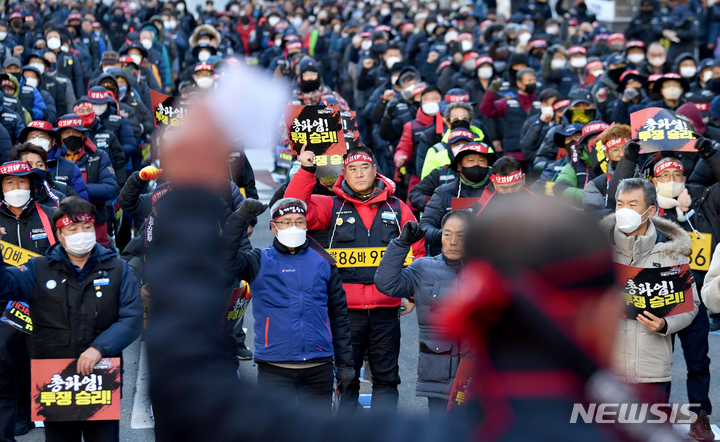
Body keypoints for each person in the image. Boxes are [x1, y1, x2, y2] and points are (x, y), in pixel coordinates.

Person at [284, 144, 425, 413]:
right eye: (352, 169)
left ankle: (385, 432)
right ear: (344, 174)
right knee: (346, 378)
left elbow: (415, 251)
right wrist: (306, 170)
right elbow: (295, 208)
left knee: (386, 378)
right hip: (345, 311)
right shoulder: (330, 205)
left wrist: (409, 293)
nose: (359, 174)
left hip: (386, 310)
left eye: (365, 167)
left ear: (375, 170)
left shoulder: (398, 207)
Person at [0, 196, 143, 442]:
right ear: (60, 234)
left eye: (86, 227)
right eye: (72, 229)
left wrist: (99, 348)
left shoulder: (117, 269)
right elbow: (5, 287)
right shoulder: (38, 268)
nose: (81, 234)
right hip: (54, 377)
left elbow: (132, 317)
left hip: (100, 378)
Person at [222, 197, 355, 410]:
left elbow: (339, 315)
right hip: (274, 367)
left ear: (306, 225)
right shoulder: (259, 261)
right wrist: (240, 217)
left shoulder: (324, 262)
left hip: (318, 365)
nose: (294, 227)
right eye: (286, 222)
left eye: (299, 221)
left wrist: (345, 364)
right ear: (274, 228)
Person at [604, 178, 699, 404]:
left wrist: (665, 325)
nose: (624, 210)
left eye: (632, 204)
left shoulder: (671, 254)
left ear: (650, 211)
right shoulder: (599, 253)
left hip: (653, 369)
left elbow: (691, 304)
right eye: (620, 204)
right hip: (608, 369)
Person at [374, 211, 472, 415]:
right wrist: (401, 244)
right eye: (447, 234)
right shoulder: (423, 268)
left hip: (476, 377)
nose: (453, 241)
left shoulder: (486, 270)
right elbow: (386, 283)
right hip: (437, 374)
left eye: (461, 236)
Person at [0, 160, 56, 440]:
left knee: (44, 357)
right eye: (10, 183)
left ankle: (47, 410)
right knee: (9, 362)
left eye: (22, 182)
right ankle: (19, 414)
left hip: (45, 301)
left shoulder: (50, 215)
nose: (17, 188)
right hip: (5, 306)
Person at [420, 143, 496, 256]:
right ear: (459, 166)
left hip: (490, 256)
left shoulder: (497, 190)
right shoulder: (443, 193)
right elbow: (425, 226)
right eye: (471, 160)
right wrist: (448, 235)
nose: (477, 164)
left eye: (482, 160)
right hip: (450, 259)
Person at [55, 114, 119, 246]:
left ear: (83, 135)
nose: (71, 136)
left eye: (76, 132)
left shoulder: (99, 156)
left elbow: (110, 188)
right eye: (66, 132)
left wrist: (77, 190)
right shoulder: (53, 160)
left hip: (94, 222)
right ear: (60, 136)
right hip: (62, 222)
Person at [21, 119, 88, 201]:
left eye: (43, 136)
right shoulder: (18, 164)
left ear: (53, 141)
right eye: (32, 136)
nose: (37, 140)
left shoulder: (70, 167)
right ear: (26, 141)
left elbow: (81, 203)